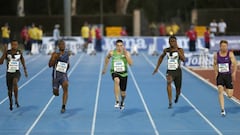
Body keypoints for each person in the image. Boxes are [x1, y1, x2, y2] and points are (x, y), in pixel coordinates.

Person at [152, 36, 185, 109]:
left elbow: (183, 59)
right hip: (170, 71)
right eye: (171, 41)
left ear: (176, 42)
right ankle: (170, 101)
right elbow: (161, 58)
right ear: (169, 42)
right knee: (168, 82)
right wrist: (157, 68)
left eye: (174, 41)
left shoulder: (180, 50)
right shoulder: (166, 50)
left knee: (178, 90)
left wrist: (178, 51)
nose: (172, 43)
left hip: (178, 71)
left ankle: (177, 96)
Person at [102, 39, 133, 110]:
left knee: (123, 93)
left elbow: (131, 64)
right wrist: (105, 68)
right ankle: (117, 101)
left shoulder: (126, 53)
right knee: (116, 80)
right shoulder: (112, 52)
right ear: (116, 46)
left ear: (123, 46)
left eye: (121, 46)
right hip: (115, 72)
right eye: (118, 46)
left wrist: (126, 55)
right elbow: (107, 58)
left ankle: (122, 101)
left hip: (124, 74)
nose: (119, 47)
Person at [0, 40, 28, 111]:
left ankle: (16, 99)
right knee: (9, 91)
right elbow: (1, 62)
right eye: (13, 45)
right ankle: (11, 102)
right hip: (9, 73)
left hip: (16, 72)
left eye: (16, 45)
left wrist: (25, 70)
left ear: (17, 45)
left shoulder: (19, 52)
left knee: (15, 82)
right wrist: (4, 52)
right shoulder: (8, 52)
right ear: (11, 45)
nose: (14, 46)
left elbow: (22, 60)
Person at [213, 40, 237, 116]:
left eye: (225, 46)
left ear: (227, 46)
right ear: (220, 47)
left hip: (228, 76)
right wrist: (216, 73)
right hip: (220, 75)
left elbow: (235, 64)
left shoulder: (230, 54)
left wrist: (234, 73)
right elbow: (215, 64)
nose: (224, 47)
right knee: (220, 90)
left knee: (230, 95)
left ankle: (227, 88)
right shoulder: (216, 55)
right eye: (222, 46)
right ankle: (222, 109)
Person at [48, 40, 71, 113]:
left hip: (63, 75)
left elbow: (68, 64)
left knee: (66, 85)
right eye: (61, 44)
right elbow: (49, 65)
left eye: (64, 44)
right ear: (58, 46)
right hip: (56, 76)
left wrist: (67, 67)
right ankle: (55, 90)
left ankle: (63, 106)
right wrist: (55, 59)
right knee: (56, 93)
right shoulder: (55, 54)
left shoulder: (67, 54)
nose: (63, 46)